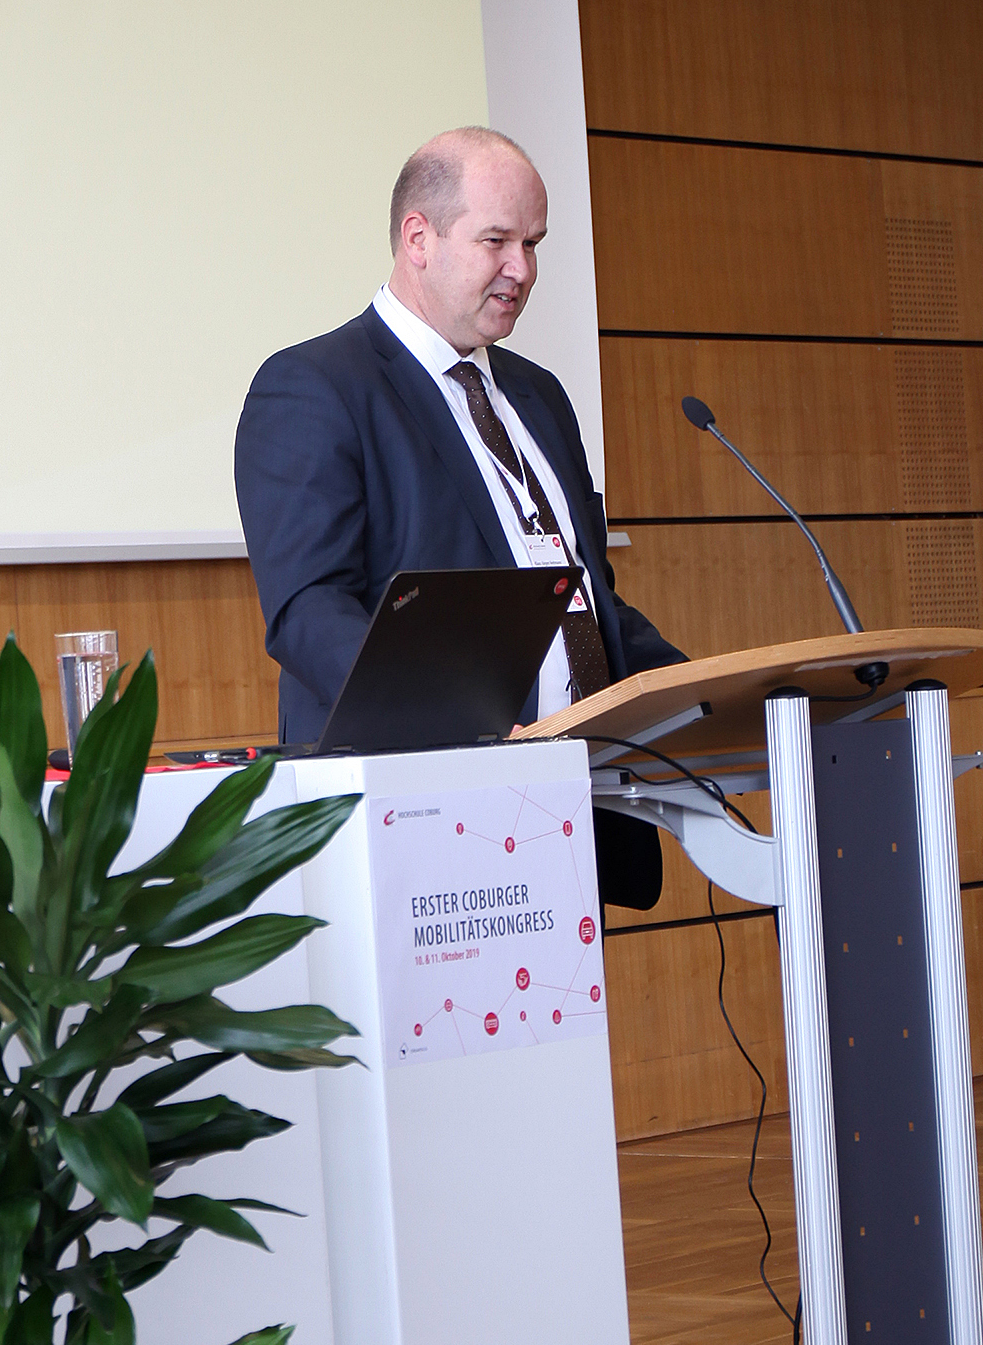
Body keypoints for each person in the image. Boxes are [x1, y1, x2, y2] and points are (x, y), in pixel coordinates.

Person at [234, 125, 685, 907]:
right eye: (497, 241)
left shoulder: (539, 395)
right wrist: (462, 731)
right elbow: (308, 610)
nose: (522, 270)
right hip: (418, 826)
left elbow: (581, 597)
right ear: (420, 237)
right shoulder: (315, 387)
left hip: (569, 810)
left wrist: (702, 692)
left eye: (534, 244)